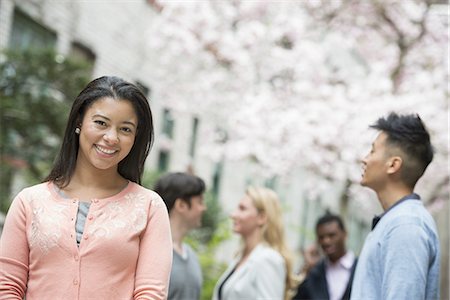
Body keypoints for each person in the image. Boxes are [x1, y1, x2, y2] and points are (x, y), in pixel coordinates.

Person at [0, 76, 173, 299]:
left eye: (125, 129)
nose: (111, 138)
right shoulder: (30, 201)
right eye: (101, 123)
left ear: (135, 137)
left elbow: (151, 293)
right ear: (79, 122)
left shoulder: (149, 207)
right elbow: (6, 287)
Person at [350, 112, 440, 300]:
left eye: (373, 151)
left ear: (393, 165)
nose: (364, 159)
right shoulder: (396, 221)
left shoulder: (406, 225)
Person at [212, 186, 297, 300]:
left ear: (261, 218)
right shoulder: (241, 257)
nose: (233, 215)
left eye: (242, 209)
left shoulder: (268, 259)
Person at [153, 172, 207, 300]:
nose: (203, 208)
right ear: (181, 205)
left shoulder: (192, 256)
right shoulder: (152, 252)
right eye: (199, 202)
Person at [294, 213, 357, 300]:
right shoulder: (314, 271)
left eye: (332, 235)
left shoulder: (361, 268)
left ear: (345, 234)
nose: (326, 241)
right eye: (321, 237)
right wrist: (307, 268)